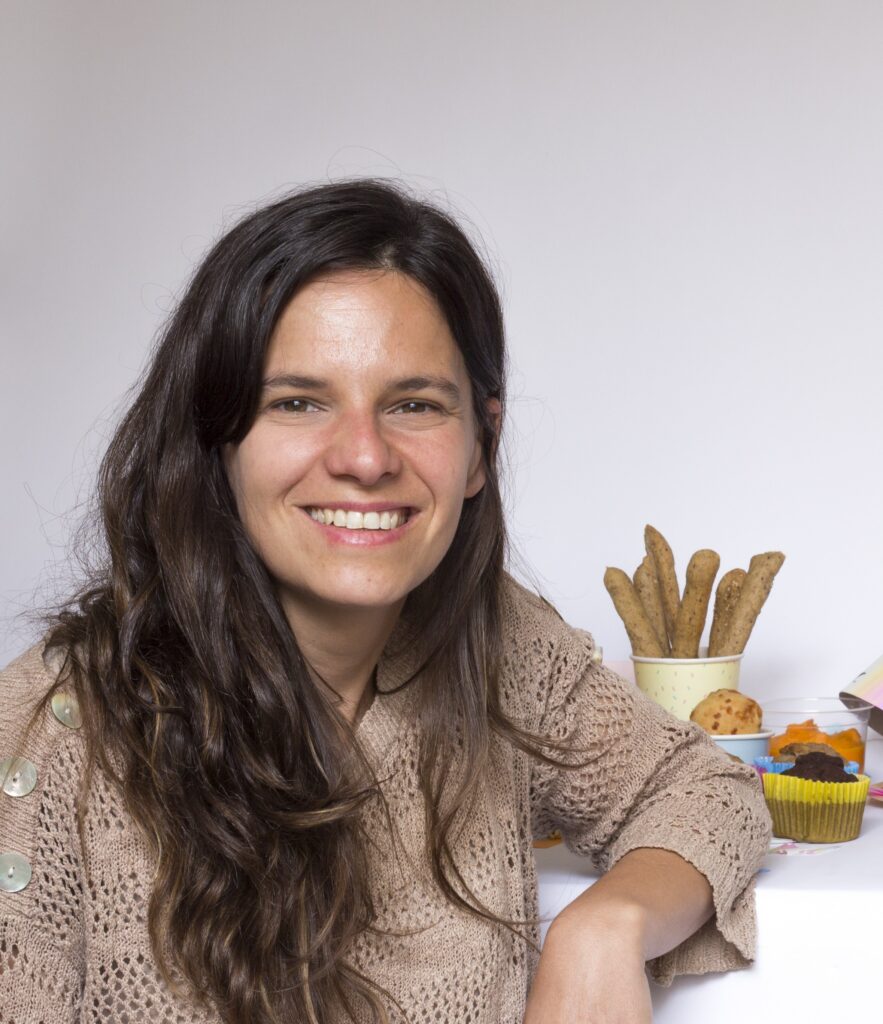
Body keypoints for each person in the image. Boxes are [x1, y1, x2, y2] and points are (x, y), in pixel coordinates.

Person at [0, 180, 771, 1024]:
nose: (365, 458)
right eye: (298, 402)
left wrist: (606, 928)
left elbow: (701, 787)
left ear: (479, 448)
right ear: (216, 442)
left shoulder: (497, 644)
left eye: (413, 404)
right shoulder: (50, 740)